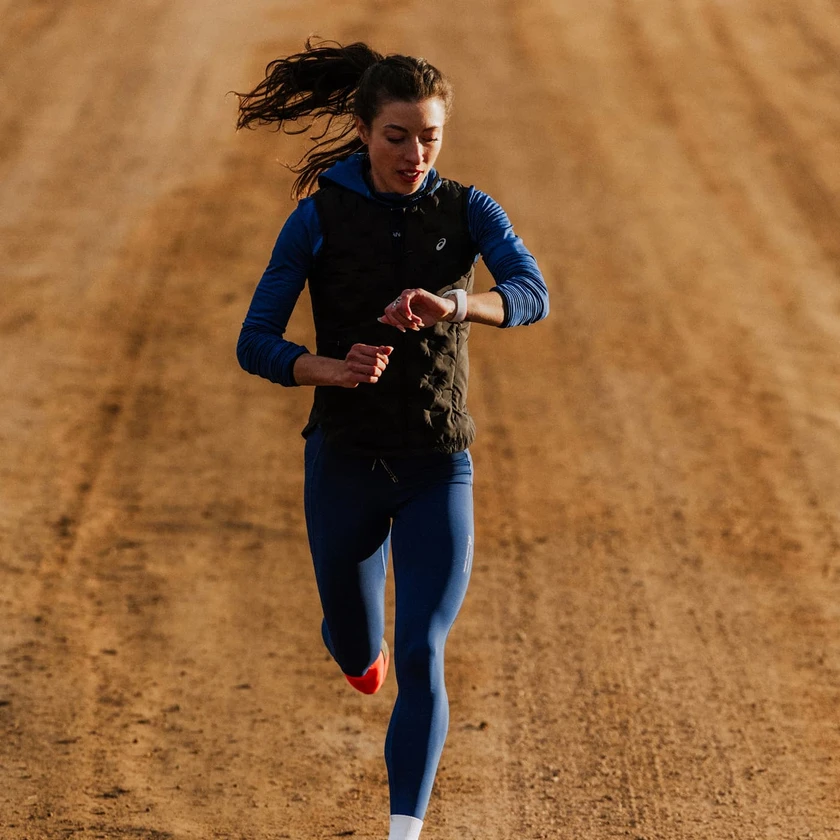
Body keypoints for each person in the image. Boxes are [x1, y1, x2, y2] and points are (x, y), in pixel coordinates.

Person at [234, 38, 548, 840]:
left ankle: (403, 833)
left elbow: (530, 292)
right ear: (365, 132)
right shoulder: (317, 219)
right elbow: (254, 340)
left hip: (437, 466)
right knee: (357, 649)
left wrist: (457, 305)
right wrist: (329, 369)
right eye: (397, 137)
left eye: (430, 137)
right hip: (343, 464)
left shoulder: (469, 211)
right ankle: (352, 645)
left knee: (422, 654)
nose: (415, 156)